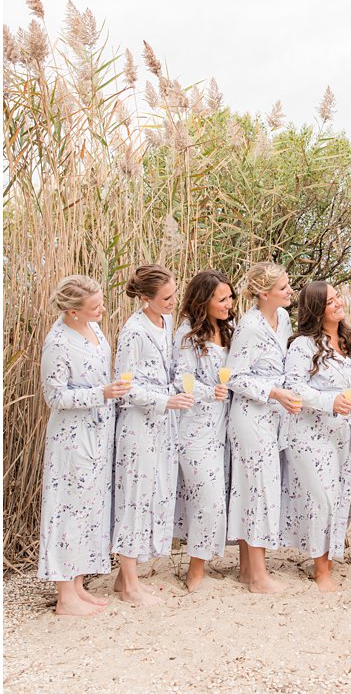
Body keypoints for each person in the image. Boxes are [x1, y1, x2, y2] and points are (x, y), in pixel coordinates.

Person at [37, 275, 130, 615]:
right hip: (71, 438)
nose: (102, 308)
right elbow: (54, 396)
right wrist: (100, 393)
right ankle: (64, 596)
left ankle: (77, 584)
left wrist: (111, 389)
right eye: (95, 306)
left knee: (88, 507)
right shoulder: (58, 342)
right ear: (73, 311)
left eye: (101, 302)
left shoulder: (96, 329)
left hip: (97, 432)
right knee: (67, 509)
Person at [111, 263, 195, 604]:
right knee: (135, 495)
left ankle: (124, 577)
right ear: (145, 298)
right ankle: (130, 585)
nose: (173, 301)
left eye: (174, 294)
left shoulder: (167, 323)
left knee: (154, 492)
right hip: (138, 425)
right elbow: (125, 387)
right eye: (166, 298)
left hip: (164, 423)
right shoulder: (133, 331)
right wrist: (165, 400)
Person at [281, 281, 351, 591]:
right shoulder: (303, 345)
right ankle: (321, 569)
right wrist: (329, 402)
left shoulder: (349, 339)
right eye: (330, 301)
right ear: (316, 309)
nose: (338, 303)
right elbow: (295, 387)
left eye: (338, 297)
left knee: (343, 495)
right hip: (312, 431)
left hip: (347, 432)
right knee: (322, 498)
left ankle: (328, 558)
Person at [226, 261, 301, 594]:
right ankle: (259, 576)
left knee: (256, 487)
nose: (290, 292)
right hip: (250, 416)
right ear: (264, 292)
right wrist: (273, 392)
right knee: (257, 489)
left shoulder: (282, 319)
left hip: (274, 416)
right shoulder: (250, 326)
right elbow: (236, 377)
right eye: (284, 288)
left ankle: (246, 569)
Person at [171, 269, 236, 592]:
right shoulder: (187, 335)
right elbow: (180, 379)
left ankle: (203, 564)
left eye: (230, 297)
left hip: (223, 430)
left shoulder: (230, 330)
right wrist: (210, 392)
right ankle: (195, 572)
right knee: (207, 500)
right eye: (222, 299)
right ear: (203, 301)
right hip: (195, 430)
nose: (229, 303)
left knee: (216, 498)